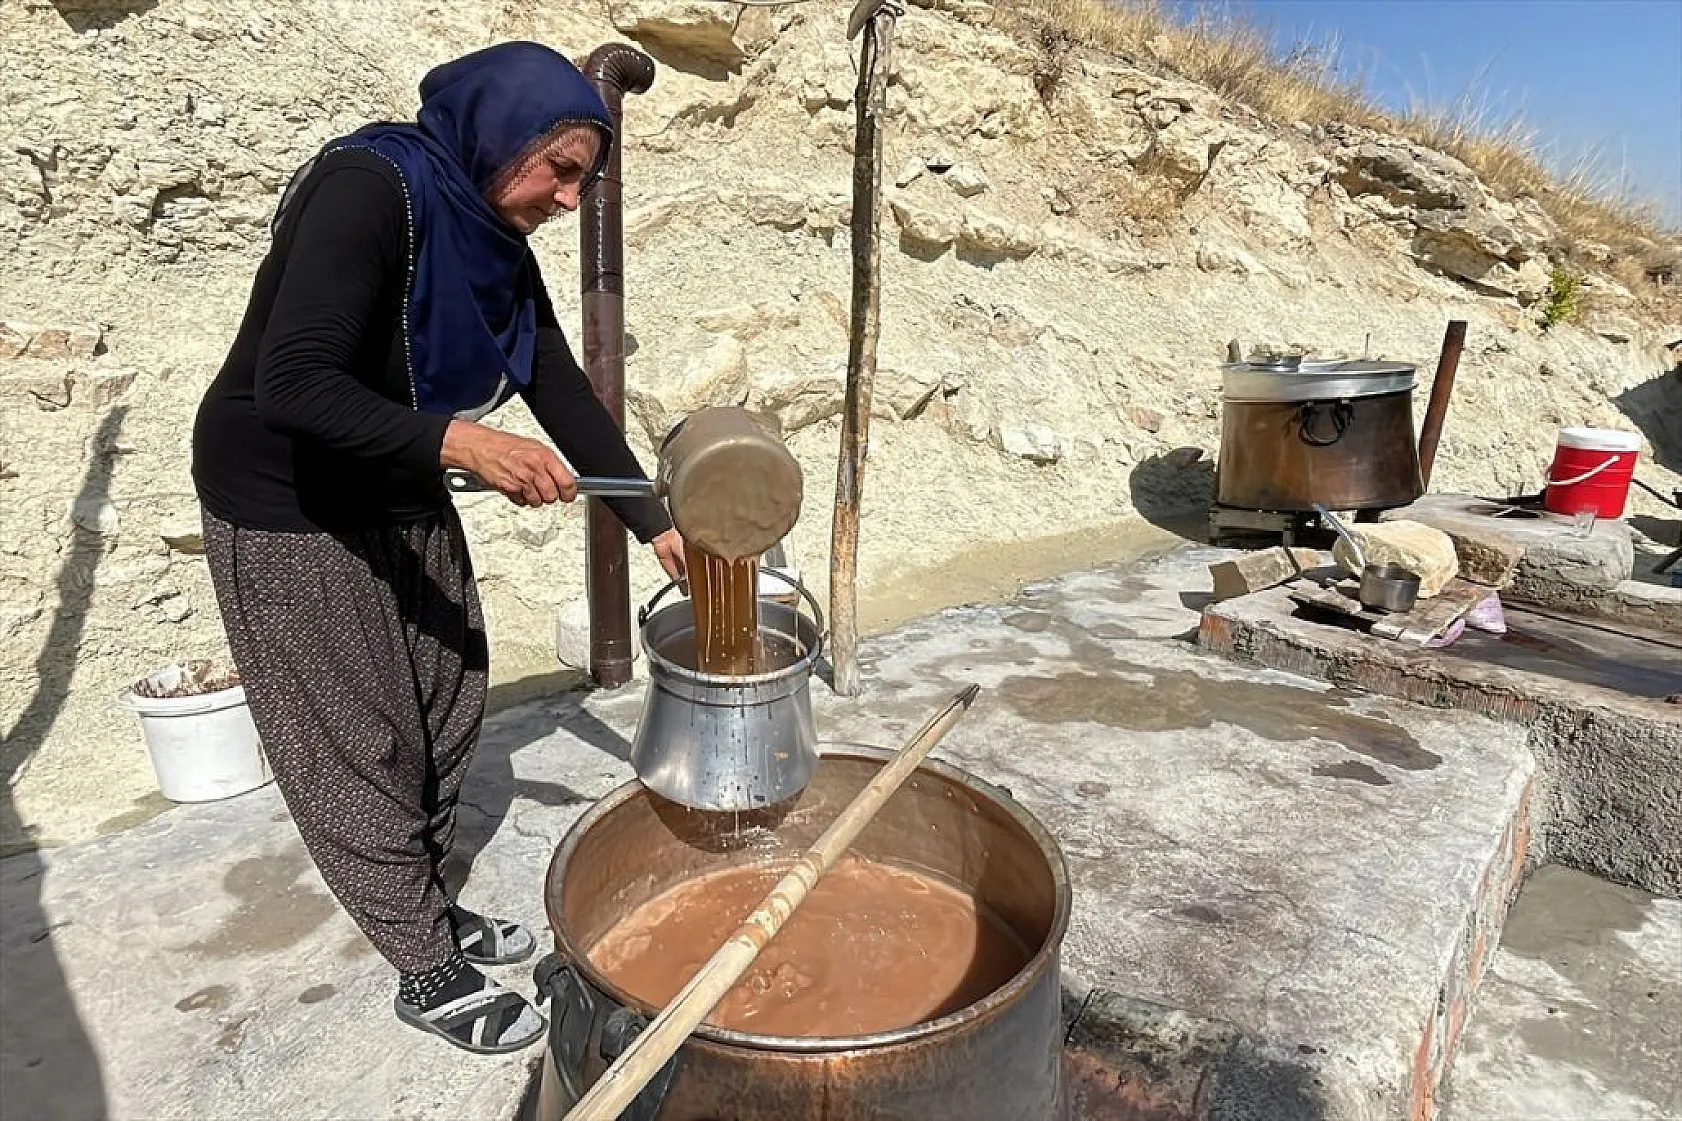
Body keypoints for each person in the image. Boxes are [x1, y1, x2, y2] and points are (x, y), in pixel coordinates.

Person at [191, 41, 683, 1055]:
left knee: (448, 690)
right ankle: (424, 964)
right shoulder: (370, 190)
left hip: (391, 473)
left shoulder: (495, 250)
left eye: (582, 180)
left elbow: (563, 397)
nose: (564, 195)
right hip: (285, 498)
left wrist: (659, 523)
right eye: (556, 168)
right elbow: (293, 383)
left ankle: (418, 900)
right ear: (496, 134)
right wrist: (464, 439)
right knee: (355, 739)